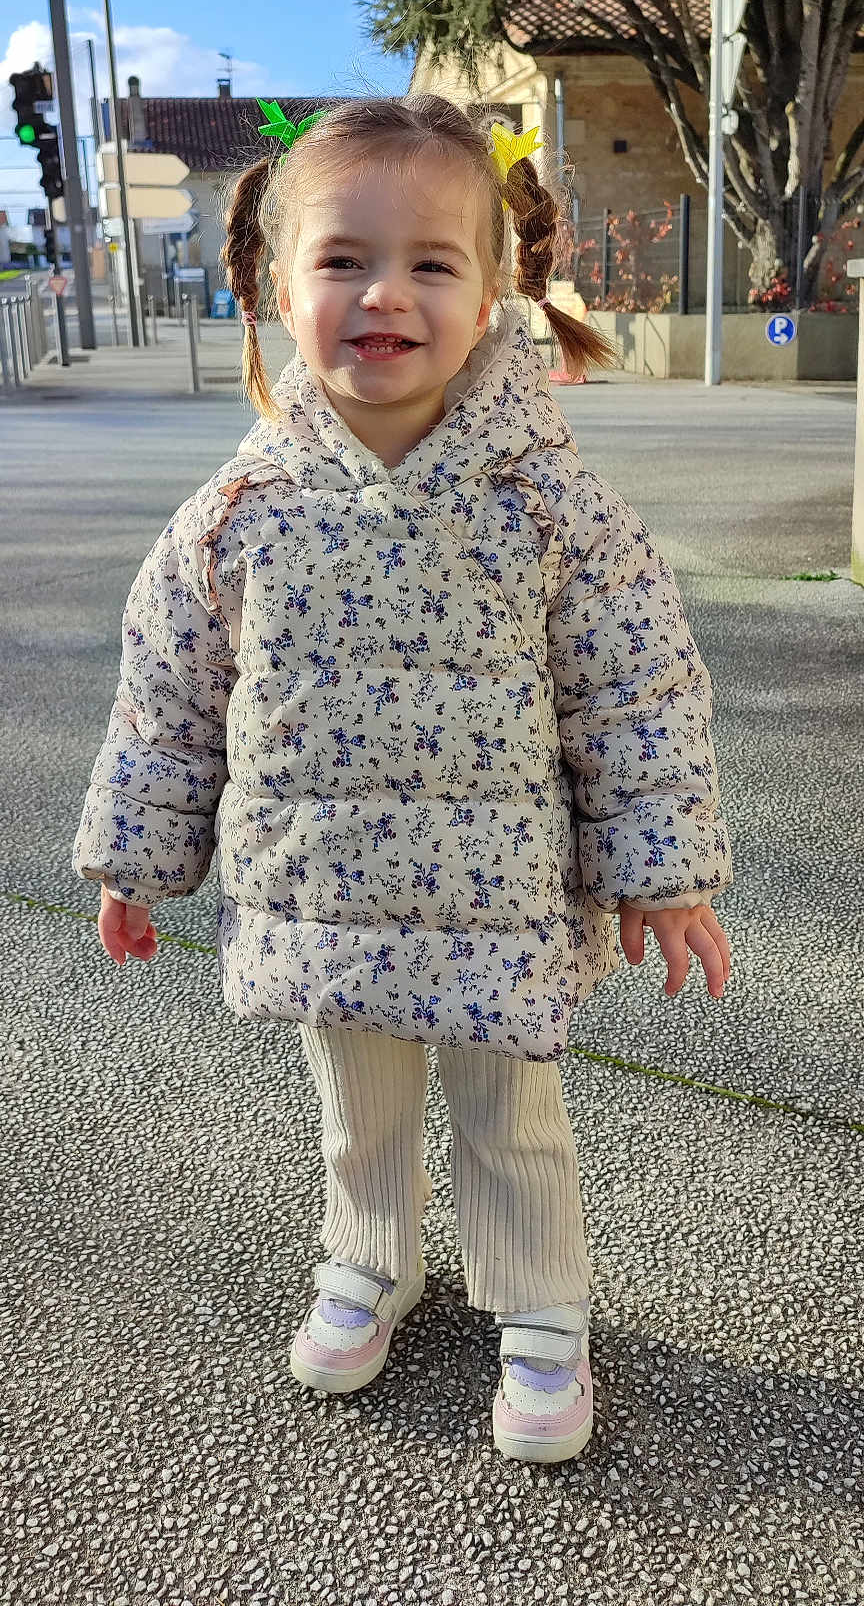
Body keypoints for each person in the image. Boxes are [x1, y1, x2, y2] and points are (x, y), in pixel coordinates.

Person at [73, 94, 732, 1466]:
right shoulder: (240, 512)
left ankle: (543, 1313)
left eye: (432, 262)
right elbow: (170, 695)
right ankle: (369, 1262)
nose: (386, 293)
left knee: (513, 1118)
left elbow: (635, 687)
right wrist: (139, 859)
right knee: (356, 1116)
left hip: (499, 903)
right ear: (273, 278)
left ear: (498, 288)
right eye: (342, 259)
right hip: (321, 894)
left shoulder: (547, 502)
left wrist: (660, 872)